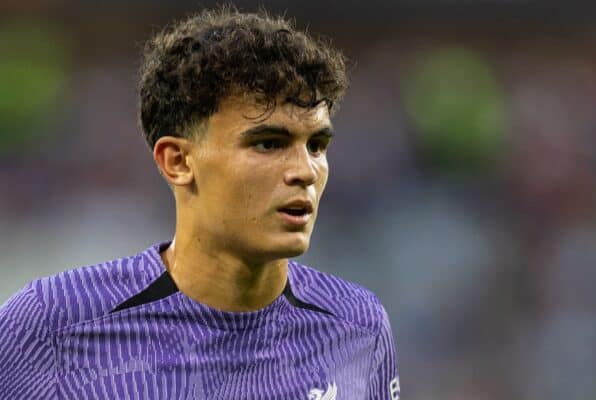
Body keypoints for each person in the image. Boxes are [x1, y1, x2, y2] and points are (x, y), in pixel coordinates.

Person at [0, 7, 400, 399]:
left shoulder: (358, 325)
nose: (305, 171)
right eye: (268, 144)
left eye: (316, 145)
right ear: (177, 161)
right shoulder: (50, 325)